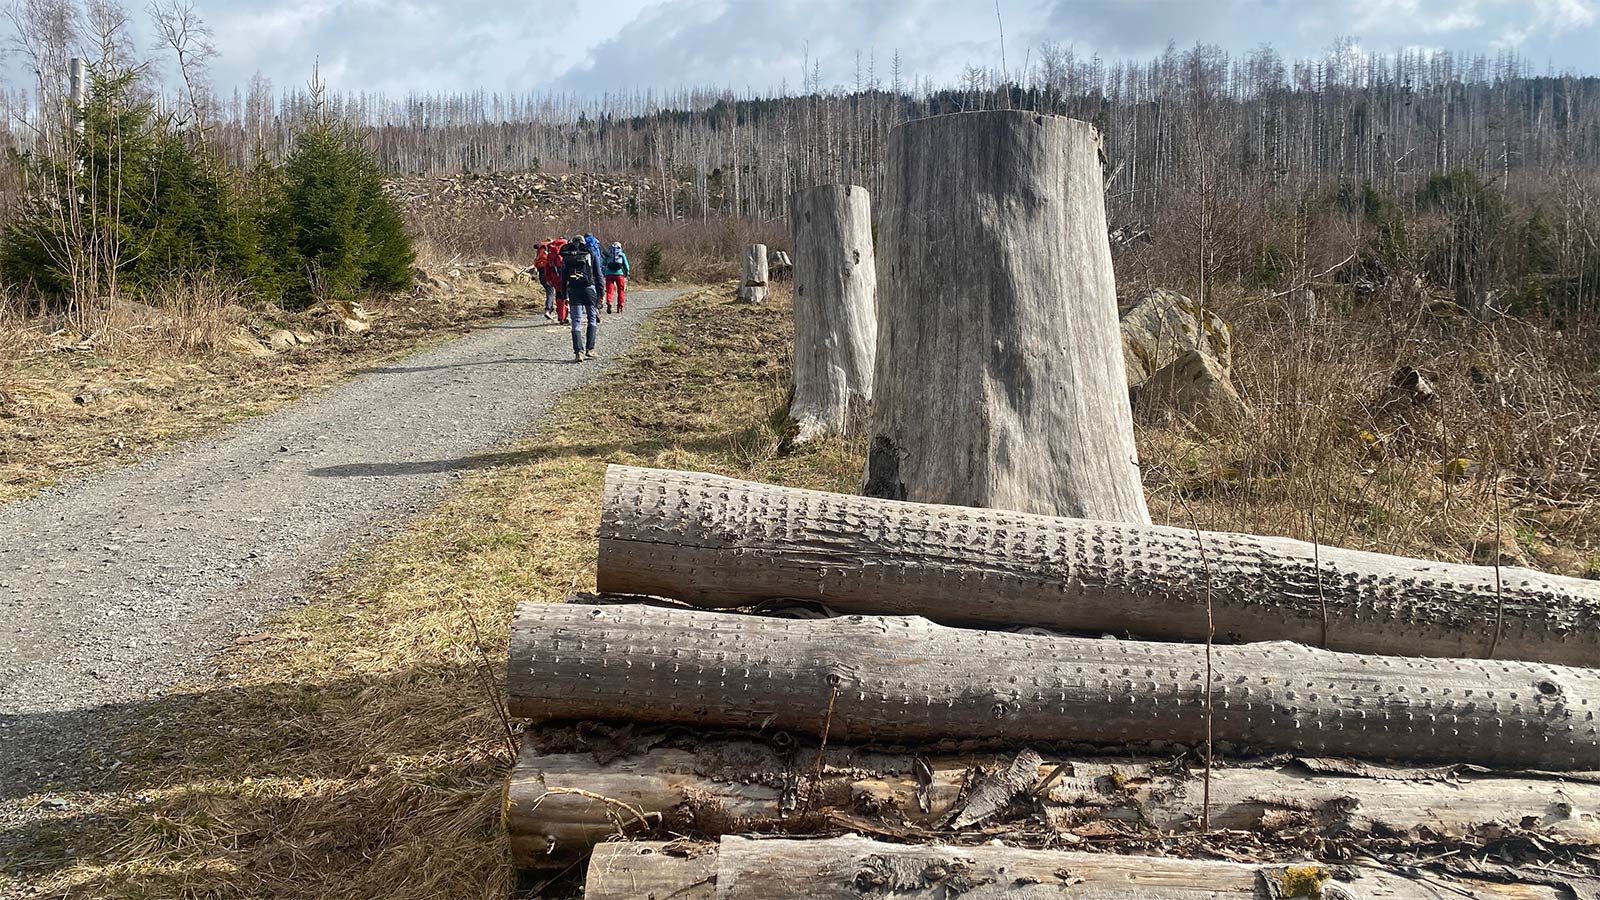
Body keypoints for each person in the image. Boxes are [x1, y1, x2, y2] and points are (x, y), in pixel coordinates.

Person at [560, 235, 600, 362]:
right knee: (592, 318)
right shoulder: (590, 253)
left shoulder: (567, 255)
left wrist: (564, 294)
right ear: (583, 243)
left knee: (576, 321)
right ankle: (590, 349)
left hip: (573, 290)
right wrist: (601, 294)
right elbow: (598, 274)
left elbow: (563, 277)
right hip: (589, 289)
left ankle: (578, 352)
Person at [543, 236, 569, 323]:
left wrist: (548, 278)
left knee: (558, 295)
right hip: (565, 276)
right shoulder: (567, 249)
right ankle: (563, 316)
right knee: (565, 295)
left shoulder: (551, 251)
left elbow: (546, 266)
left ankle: (561, 316)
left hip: (554, 276)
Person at [603, 241, 630, 313]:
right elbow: (626, 265)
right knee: (620, 291)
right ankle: (620, 307)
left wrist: (603, 273)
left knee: (609, 290)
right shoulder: (622, 255)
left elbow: (603, 264)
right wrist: (627, 273)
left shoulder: (608, 254)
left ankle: (609, 302)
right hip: (620, 275)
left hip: (609, 274)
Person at [533, 239, 557, 320]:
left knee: (549, 291)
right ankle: (548, 309)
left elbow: (535, 263)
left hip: (540, 272)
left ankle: (551, 309)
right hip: (548, 272)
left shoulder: (540, 250)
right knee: (551, 291)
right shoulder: (550, 248)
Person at [583, 232, 605, 314]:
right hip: (597, 266)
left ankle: (581, 309)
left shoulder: (583, 243)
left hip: (585, 270)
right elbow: (606, 254)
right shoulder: (596, 243)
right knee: (596, 286)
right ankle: (595, 307)